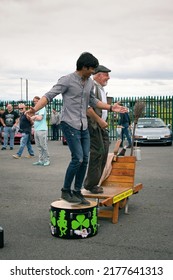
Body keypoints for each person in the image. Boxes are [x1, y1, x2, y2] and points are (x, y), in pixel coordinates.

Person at [26, 52, 127, 205]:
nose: (93, 73)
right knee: (78, 158)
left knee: (85, 159)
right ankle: (66, 191)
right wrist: (34, 109)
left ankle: (77, 192)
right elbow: (48, 96)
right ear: (84, 67)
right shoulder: (66, 80)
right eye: (91, 70)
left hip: (83, 125)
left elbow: (93, 101)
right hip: (69, 124)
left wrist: (112, 108)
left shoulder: (89, 83)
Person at [84, 65, 111, 194]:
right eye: (106, 75)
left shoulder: (100, 88)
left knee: (103, 151)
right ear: (99, 75)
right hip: (94, 126)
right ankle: (91, 184)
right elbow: (87, 107)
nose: (108, 77)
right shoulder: (93, 87)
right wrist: (99, 121)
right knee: (98, 152)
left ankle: (93, 182)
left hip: (100, 126)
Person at [31, 96, 50, 166]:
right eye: (34, 101)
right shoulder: (35, 110)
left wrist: (33, 117)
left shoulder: (42, 108)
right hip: (36, 129)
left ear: (39, 101)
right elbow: (33, 119)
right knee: (39, 146)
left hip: (42, 130)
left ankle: (47, 160)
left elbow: (40, 118)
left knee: (43, 145)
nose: (35, 102)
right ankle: (41, 160)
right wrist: (32, 118)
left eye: (36, 101)